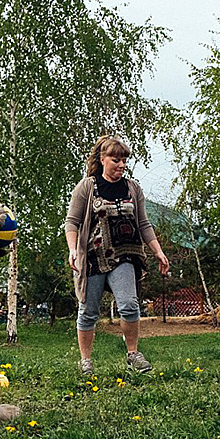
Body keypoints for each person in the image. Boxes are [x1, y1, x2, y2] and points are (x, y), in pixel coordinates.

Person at [64, 135, 170, 375]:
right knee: (88, 311)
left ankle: (133, 354)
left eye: (124, 160)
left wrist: (158, 251)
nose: (122, 165)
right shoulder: (87, 187)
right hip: (92, 258)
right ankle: (86, 362)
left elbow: (143, 224)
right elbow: (72, 222)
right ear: (103, 160)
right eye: (116, 160)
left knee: (130, 305)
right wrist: (73, 250)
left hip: (124, 256)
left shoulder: (133, 188)